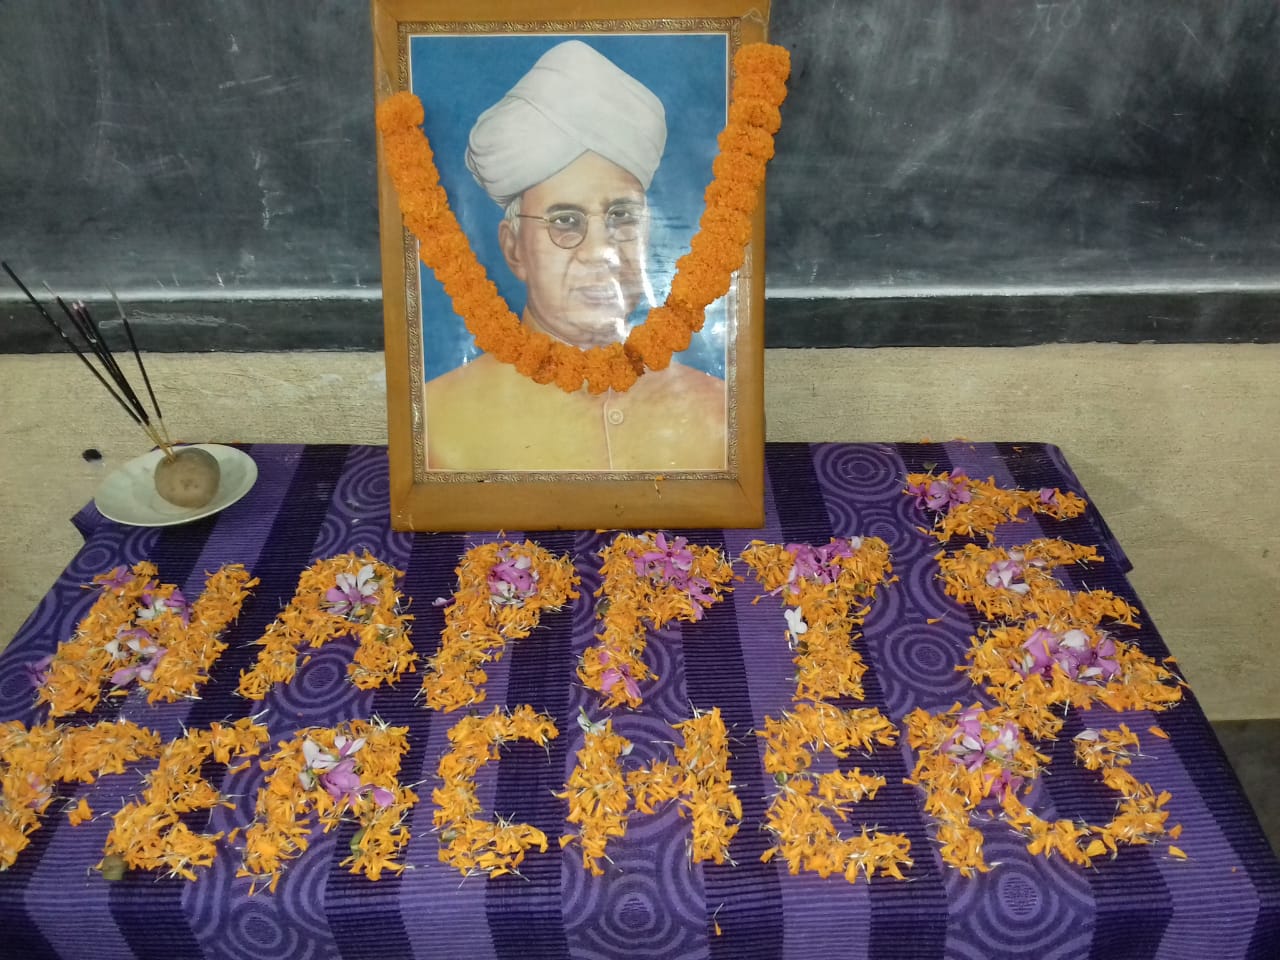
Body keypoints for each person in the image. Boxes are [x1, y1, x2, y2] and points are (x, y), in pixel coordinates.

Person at [424, 40, 727, 472]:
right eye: (565, 221)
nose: (601, 251)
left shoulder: (719, 416)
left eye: (622, 216)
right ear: (514, 249)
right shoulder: (439, 424)